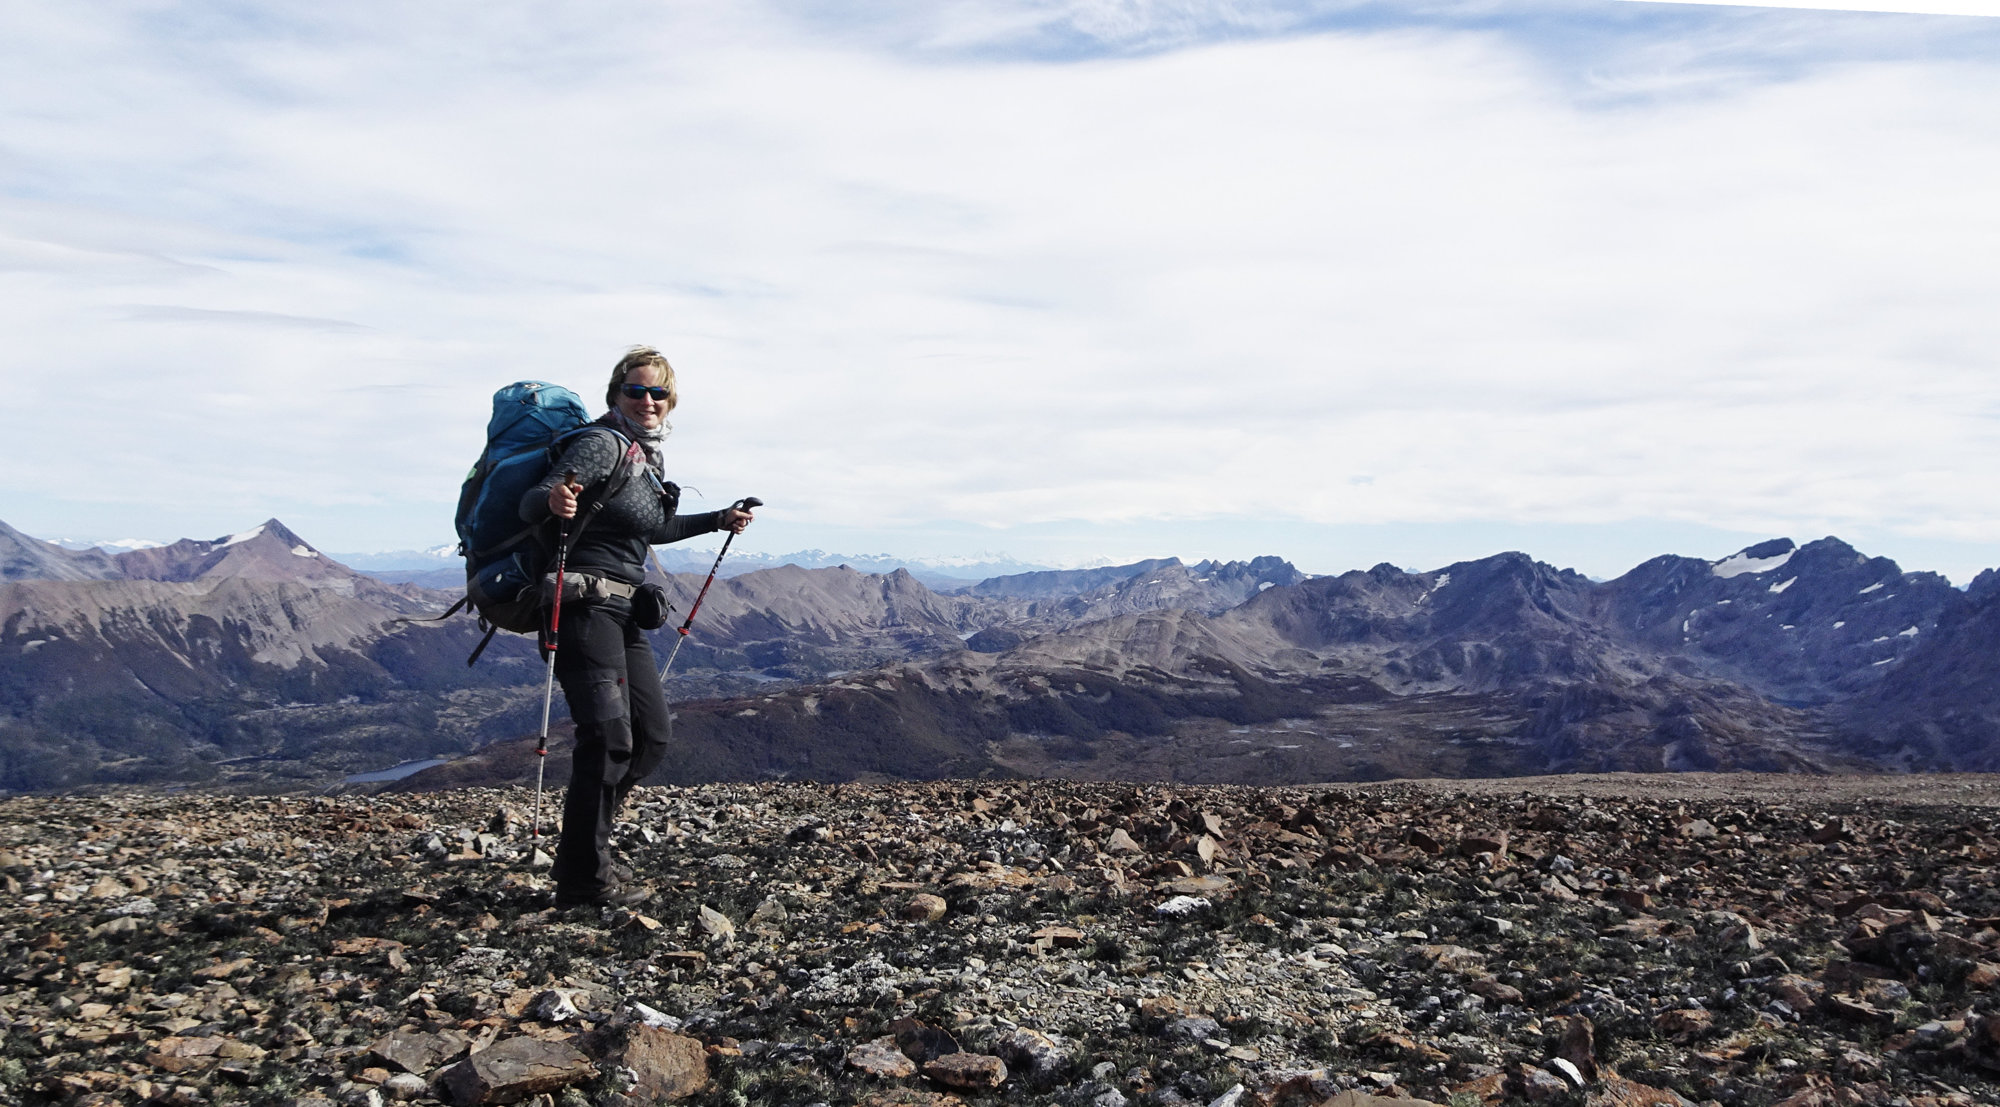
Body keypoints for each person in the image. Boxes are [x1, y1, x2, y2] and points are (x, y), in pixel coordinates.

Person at [519, 346, 752, 908]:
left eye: (658, 393)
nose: (648, 401)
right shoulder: (600, 444)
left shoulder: (646, 460)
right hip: (582, 606)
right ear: (614, 395)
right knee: (607, 738)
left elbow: (656, 527)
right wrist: (552, 498)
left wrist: (718, 520)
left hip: (624, 610)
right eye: (636, 391)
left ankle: (588, 842)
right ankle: (582, 880)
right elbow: (533, 501)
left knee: (650, 737)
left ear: (671, 402)